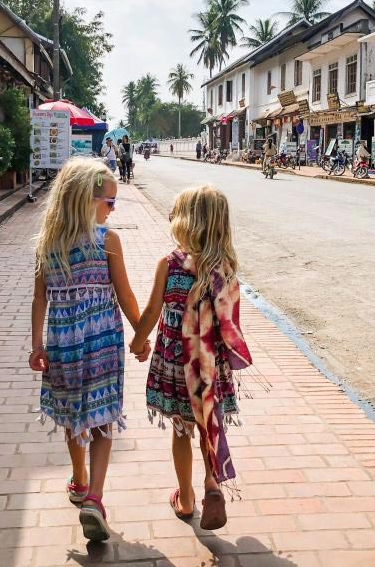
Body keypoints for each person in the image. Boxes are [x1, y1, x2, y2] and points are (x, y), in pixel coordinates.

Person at [29, 158, 150, 542]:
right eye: (110, 203)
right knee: (101, 418)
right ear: (87, 200)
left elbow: (39, 299)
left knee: (72, 414)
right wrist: (140, 335)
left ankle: (79, 480)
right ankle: (95, 498)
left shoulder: (47, 244)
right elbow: (126, 295)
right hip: (101, 342)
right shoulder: (107, 241)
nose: (112, 211)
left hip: (63, 343)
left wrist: (37, 346)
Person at [130, 186, 252, 531]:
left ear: (185, 221)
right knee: (207, 423)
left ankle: (185, 499)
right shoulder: (224, 269)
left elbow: (152, 311)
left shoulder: (169, 265)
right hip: (211, 368)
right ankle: (211, 485)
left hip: (175, 365)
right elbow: (231, 323)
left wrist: (138, 342)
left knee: (181, 430)